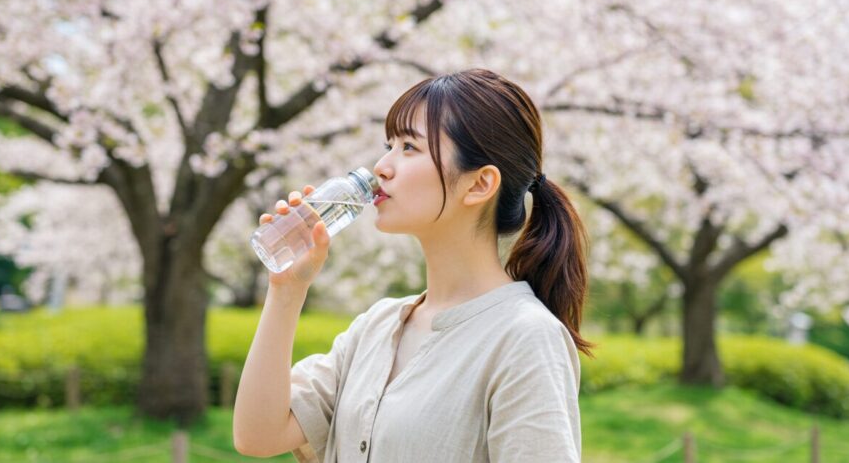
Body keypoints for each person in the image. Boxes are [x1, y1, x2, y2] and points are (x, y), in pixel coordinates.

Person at [233, 68, 593, 462]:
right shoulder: (377, 326)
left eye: (409, 147)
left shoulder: (524, 337)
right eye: (389, 145)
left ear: (479, 184)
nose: (382, 167)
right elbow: (258, 435)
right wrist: (286, 291)